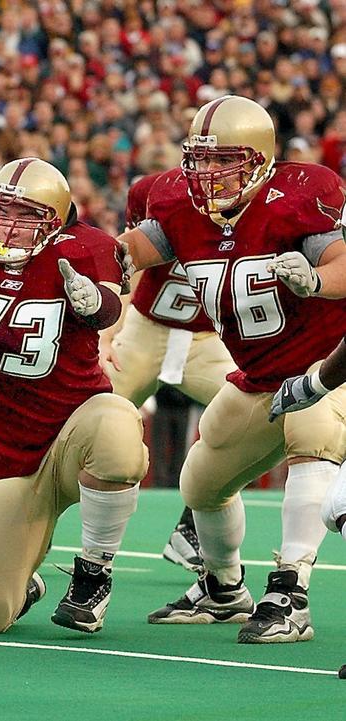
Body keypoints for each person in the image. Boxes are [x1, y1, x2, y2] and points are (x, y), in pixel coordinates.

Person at [122, 95, 346, 644]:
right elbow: (137, 249)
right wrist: (94, 263)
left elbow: (342, 265)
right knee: (201, 483)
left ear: (263, 160)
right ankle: (224, 590)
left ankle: (290, 592)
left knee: (313, 437)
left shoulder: (300, 194)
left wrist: (315, 281)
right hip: (257, 376)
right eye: (200, 159)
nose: (209, 173)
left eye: (226, 160)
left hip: (327, 368)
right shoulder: (178, 201)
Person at [0, 159, 146, 634]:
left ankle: (94, 573)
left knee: (118, 427)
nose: (7, 224)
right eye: (1, 209)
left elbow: (107, 306)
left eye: (26, 215)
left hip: (72, 435)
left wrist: (95, 303)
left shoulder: (85, 248)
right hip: (4, 458)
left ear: (56, 221)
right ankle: (22, 582)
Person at [100, 172, 239, 572]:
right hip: (146, 329)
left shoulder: (263, 205)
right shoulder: (156, 193)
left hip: (208, 340)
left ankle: (191, 528)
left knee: (260, 418)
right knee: (81, 422)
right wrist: (108, 335)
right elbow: (129, 266)